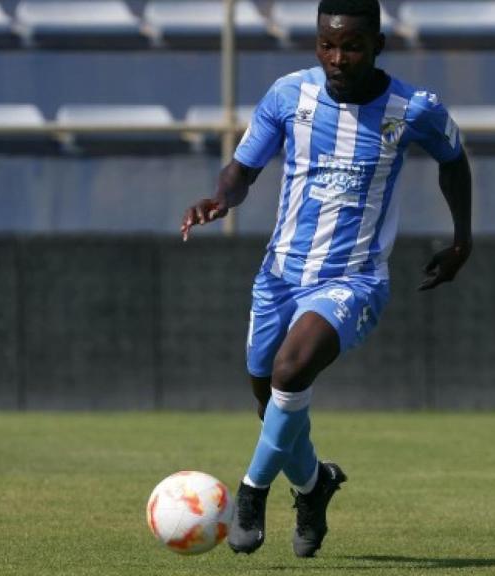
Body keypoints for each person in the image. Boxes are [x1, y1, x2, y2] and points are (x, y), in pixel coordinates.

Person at [180, 0, 472, 558]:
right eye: (326, 45)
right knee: (270, 402)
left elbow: (453, 159)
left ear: (378, 46)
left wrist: (462, 240)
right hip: (279, 275)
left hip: (353, 281)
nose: (338, 57)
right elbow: (243, 169)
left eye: (352, 45)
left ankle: (251, 492)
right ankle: (314, 486)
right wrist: (219, 199)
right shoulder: (289, 96)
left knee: (291, 371)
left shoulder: (414, 108)